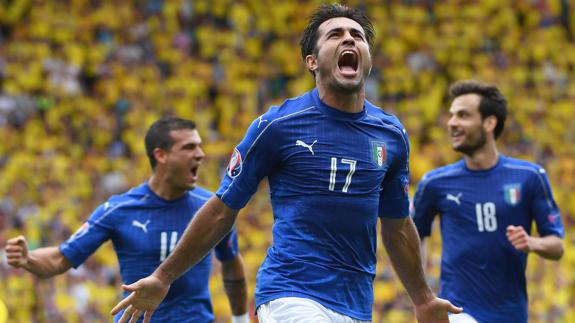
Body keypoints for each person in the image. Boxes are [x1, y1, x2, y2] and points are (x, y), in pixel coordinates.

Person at [111, 4, 462, 323]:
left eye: (357, 35)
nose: (349, 40)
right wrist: (163, 276)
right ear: (312, 61)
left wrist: (423, 298)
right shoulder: (277, 126)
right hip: (290, 293)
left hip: (356, 305)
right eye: (335, 34)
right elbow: (221, 210)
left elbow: (398, 227)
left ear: (368, 58)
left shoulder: (392, 134)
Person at [5, 117, 249, 323]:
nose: (200, 154)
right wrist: (28, 258)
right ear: (160, 155)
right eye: (189, 147)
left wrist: (240, 319)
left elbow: (231, 261)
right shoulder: (119, 209)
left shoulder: (214, 208)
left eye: (200, 146)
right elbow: (60, 259)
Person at [412, 80, 565, 323]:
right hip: (459, 312)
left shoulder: (529, 177)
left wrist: (532, 242)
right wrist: (422, 294)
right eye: (451, 116)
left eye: (463, 115)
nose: (452, 123)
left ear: (489, 122)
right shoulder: (435, 183)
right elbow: (414, 234)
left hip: (512, 314)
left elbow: (557, 245)